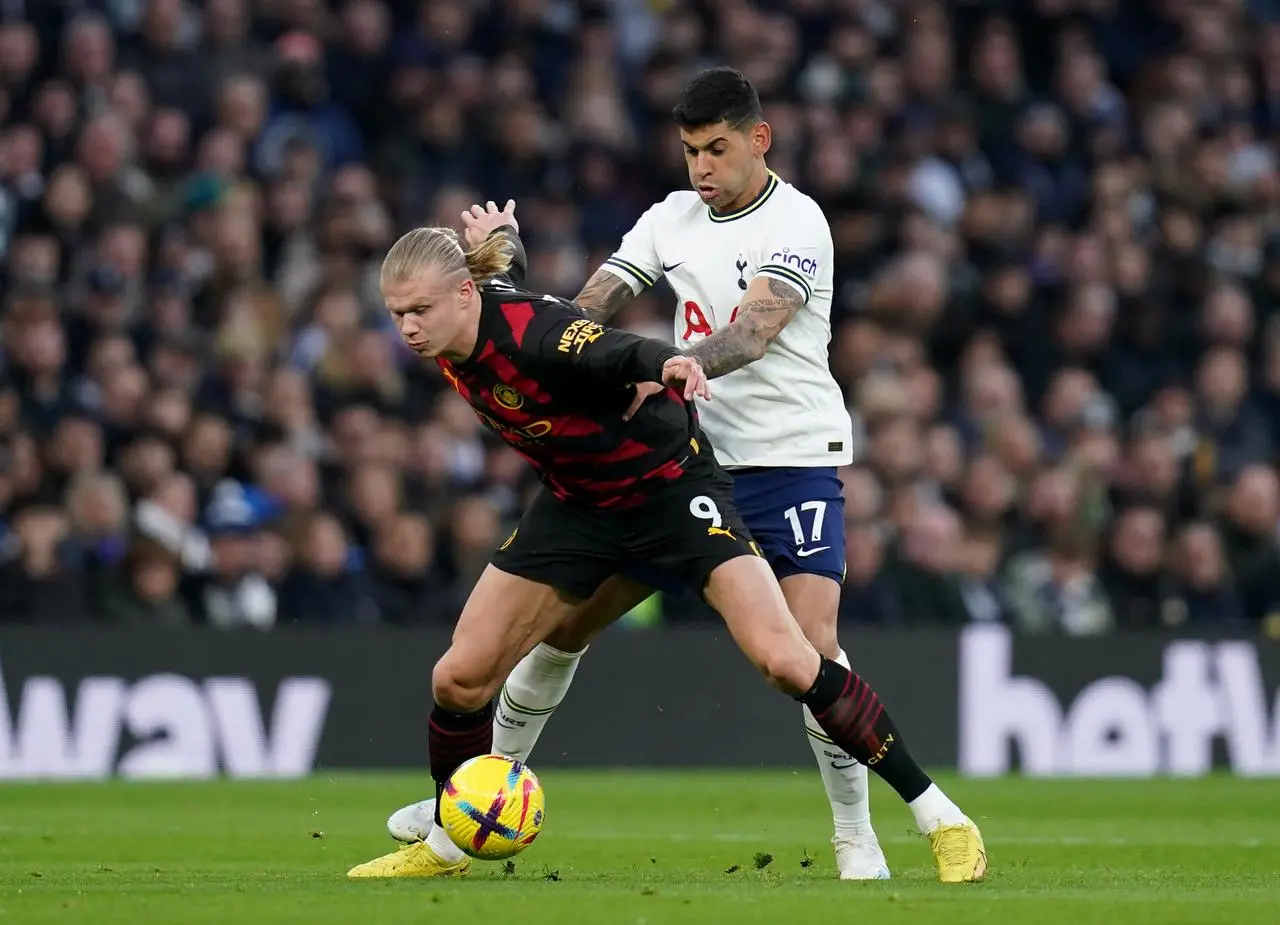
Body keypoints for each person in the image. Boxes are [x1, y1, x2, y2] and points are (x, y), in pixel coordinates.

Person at [385, 67, 983, 882]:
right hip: (674, 457)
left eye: (716, 149)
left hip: (785, 458)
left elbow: (751, 334)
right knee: (560, 632)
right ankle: (472, 805)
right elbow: (581, 315)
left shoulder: (798, 221)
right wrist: (513, 292)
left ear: (758, 140)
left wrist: (665, 365)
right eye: (690, 151)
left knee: (806, 650)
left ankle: (859, 834)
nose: (701, 168)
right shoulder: (669, 218)